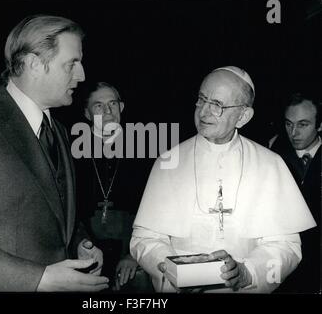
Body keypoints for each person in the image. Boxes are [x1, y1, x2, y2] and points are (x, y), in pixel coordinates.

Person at [0, 15, 109, 292]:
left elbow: (53, 214)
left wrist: (79, 245)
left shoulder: (58, 131)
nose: (82, 75)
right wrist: (37, 279)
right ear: (35, 64)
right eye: (72, 63)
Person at [130, 66, 316, 293]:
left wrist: (248, 273)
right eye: (202, 99)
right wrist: (166, 267)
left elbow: (286, 247)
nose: (204, 112)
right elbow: (144, 238)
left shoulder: (269, 164)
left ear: (243, 116)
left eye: (217, 105)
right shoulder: (168, 161)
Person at [74, 81, 153, 292]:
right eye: (98, 106)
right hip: (84, 249)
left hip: (130, 249)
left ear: (122, 108)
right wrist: (83, 247)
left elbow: (154, 210)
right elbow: (67, 212)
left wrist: (134, 254)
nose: (108, 111)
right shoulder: (71, 154)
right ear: (87, 114)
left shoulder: (145, 150)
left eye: (112, 104)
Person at [270, 93, 321, 293]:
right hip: (285, 258)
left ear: (320, 125)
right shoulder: (273, 153)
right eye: (289, 124)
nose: (293, 132)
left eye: (303, 124)